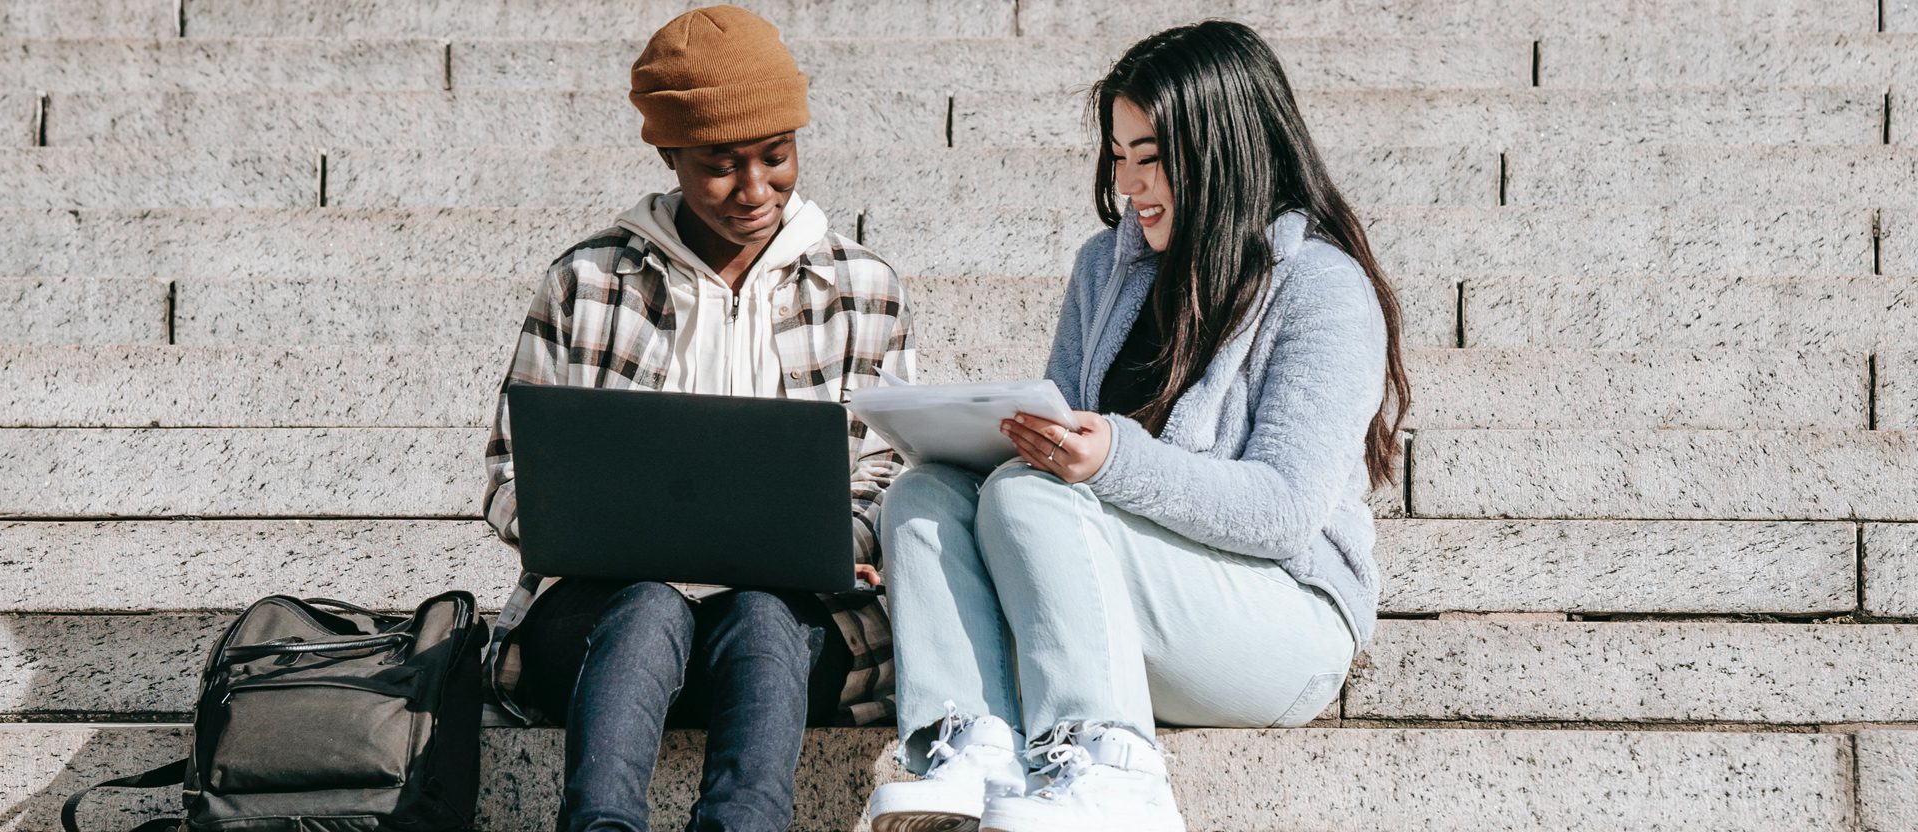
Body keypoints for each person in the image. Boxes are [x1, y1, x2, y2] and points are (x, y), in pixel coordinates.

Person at [863, 20, 1412, 832]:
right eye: (1118, 157)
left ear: (1222, 149)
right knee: (925, 495)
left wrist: (1112, 458)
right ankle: (969, 742)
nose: (1128, 184)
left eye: (1149, 157)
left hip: (1282, 619)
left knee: (1029, 497)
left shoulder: (1322, 290)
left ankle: (1115, 768)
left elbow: (1284, 508)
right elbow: (1056, 456)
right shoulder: (1103, 268)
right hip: (1118, 602)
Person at [476, 6, 911, 830]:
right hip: (602, 633)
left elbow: (888, 470)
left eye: (776, 158)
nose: (755, 191)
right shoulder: (586, 282)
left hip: (791, 633)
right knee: (647, 605)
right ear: (668, 154)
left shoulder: (865, 288)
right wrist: (587, 532)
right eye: (719, 166)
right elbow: (508, 472)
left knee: (760, 612)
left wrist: (836, 542)